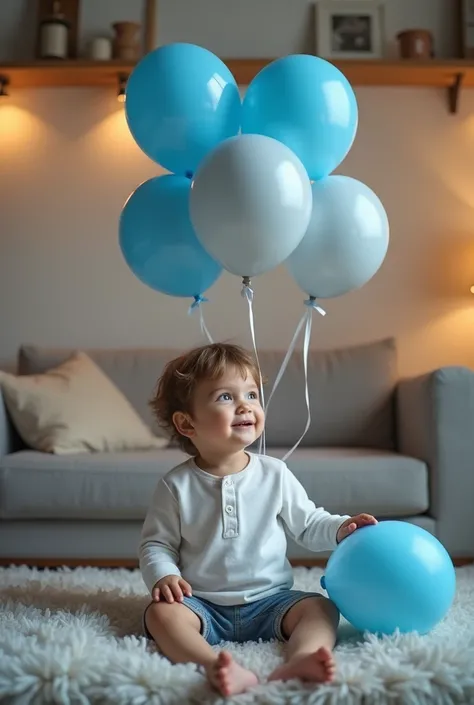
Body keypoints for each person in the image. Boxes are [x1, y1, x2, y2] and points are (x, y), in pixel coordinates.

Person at [139, 343, 377, 696]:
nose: (245, 405)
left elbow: (309, 523)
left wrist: (342, 528)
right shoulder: (176, 485)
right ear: (187, 423)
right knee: (160, 615)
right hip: (203, 604)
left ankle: (303, 657)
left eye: (251, 393)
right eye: (225, 397)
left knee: (320, 607)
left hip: (272, 601)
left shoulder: (274, 473)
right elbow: (157, 544)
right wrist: (165, 575)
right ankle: (214, 665)